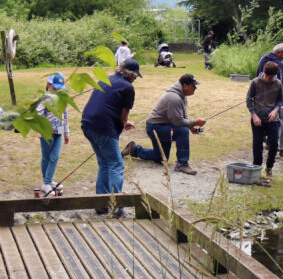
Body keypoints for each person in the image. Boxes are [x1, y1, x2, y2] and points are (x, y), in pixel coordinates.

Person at [80, 59, 141, 214]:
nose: (135, 79)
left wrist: (124, 123)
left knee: (104, 163)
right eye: (135, 76)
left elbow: (105, 104)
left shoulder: (106, 79)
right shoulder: (128, 88)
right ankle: (117, 206)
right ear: (132, 75)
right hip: (103, 127)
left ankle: (101, 204)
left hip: (87, 123)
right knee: (116, 165)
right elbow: (123, 116)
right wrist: (124, 123)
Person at [123, 74, 206, 175]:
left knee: (161, 158)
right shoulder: (174, 97)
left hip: (162, 127)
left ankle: (134, 149)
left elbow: (182, 117)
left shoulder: (181, 96)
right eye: (194, 86)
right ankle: (182, 164)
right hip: (156, 128)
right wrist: (195, 122)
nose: (195, 88)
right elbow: (177, 121)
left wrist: (192, 127)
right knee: (182, 132)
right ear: (185, 86)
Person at [246, 61, 283, 179]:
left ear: (275, 75)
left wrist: (276, 110)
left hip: (273, 120)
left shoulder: (278, 84)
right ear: (264, 72)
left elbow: (280, 100)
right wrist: (254, 115)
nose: (268, 79)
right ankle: (257, 168)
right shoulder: (255, 82)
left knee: (273, 143)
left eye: (271, 77)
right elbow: (248, 100)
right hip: (258, 119)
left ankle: (269, 167)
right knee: (257, 145)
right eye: (267, 76)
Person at [37, 73, 69, 196]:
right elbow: (39, 114)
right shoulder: (44, 98)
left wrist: (66, 132)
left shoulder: (62, 98)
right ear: (49, 85)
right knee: (46, 157)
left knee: (54, 157)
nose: (57, 90)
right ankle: (46, 183)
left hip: (59, 132)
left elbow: (65, 116)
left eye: (59, 87)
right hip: (47, 133)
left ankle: (48, 181)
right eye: (55, 87)